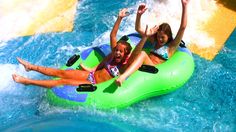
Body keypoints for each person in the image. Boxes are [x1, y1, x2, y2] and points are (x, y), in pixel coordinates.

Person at [12, 8, 149, 88]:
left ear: (126, 54)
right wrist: (119, 18)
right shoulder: (114, 56)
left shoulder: (125, 64)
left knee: (62, 81)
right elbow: (113, 35)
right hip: (90, 76)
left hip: (94, 84)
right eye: (116, 50)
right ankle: (31, 67)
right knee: (60, 72)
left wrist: (144, 38)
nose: (117, 52)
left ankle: (27, 81)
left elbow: (137, 52)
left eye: (120, 51)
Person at [116, 0, 190, 86]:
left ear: (168, 36)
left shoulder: (171, 47)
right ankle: (117, 71)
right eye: (158, 36)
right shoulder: (154, 41)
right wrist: (139, 15)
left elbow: (183, 28)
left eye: (163, 37)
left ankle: (123, 77)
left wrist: (185, 6)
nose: (160, 39)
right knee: (135, 52)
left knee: (142, 53)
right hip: (143, 65)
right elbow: (138, 29)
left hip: (154, 70)